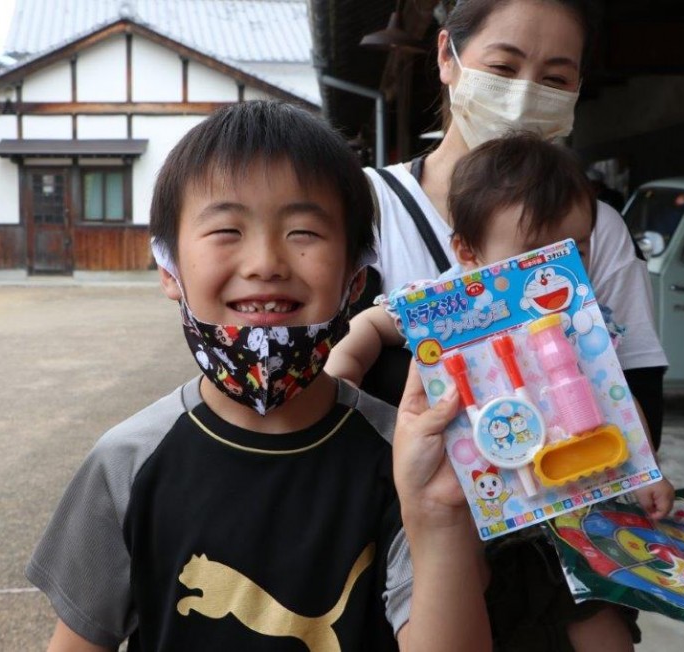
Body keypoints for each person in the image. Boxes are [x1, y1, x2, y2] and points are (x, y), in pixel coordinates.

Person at [26, 101, 491, 651]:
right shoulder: (125, 462)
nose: (265, 261)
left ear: (355, 278)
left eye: (304, 231)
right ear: (169, 269)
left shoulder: (408, 460)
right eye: (226, 229)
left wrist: (437, 517)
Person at [339, 132, 675, 652]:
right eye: (534, 254)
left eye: (573, 250)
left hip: (570, 498)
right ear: (467, 252)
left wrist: (644, 467)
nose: (554, 271)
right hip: (478, 503)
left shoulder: (584, 317)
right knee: (465, 592)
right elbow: (374, 324)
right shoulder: (445, 307)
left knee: (601, 627)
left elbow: (617, 398)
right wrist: (343, 375)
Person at [361, 0, 669, 453]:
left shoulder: (597, 227)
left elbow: (639, 407)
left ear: (577, 88)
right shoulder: (367, 205)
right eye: (503, 67)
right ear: (447, 56)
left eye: (555, 79)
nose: (525, 96)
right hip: (396, 514)